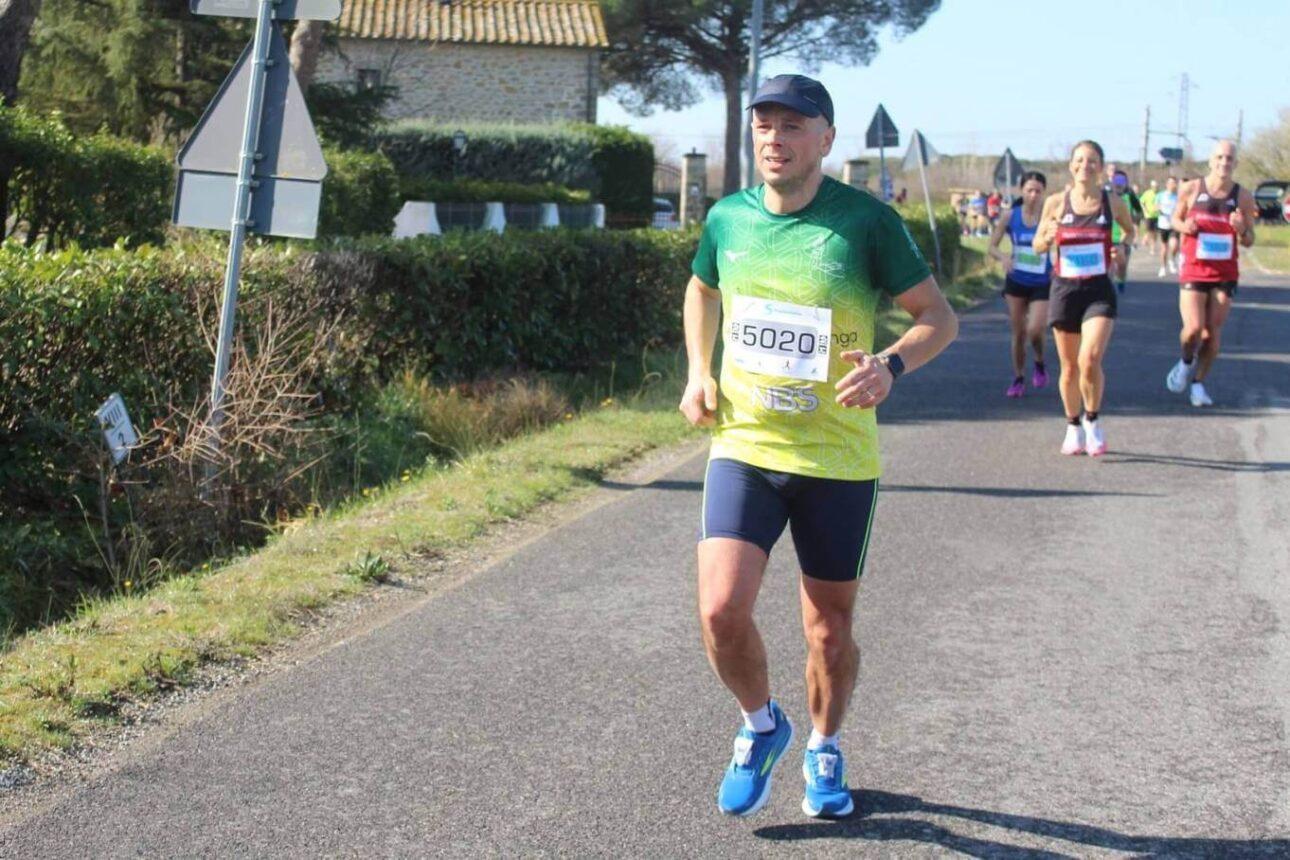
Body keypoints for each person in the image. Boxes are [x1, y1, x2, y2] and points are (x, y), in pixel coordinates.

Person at [680, 73, 958, 819]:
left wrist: (891, 364)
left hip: (836, 459)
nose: (775, 138)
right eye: (765, 125)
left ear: (825, 140)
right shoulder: (728, 219)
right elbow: (702, 288)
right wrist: (696, 372)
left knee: (828, 633)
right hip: (745, 444)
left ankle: (824, 745)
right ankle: (762, 726)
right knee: (719, 611)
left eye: (793, 126)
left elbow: (938, 316)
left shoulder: (864, 224)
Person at [1032, 140, 1135, 457]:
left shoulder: (1112, 203)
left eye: (1092, 161)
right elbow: (1038, 245)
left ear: (1101, 167)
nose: (1084, 166)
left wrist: (1122, 254)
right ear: (1071, 165)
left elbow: (1129, 232)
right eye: (1079, 160)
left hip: (1098, 291)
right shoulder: (1056, 203)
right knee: (1069, 367)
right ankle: (1073, 425)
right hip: (1065, 290)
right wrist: (1047, 237)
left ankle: (1092, 419)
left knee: (1089, 359)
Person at [1164, 140, 1258, 407]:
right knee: (1193, 329)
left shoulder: (1243, 196)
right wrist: (1186, 226)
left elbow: (1250, 239)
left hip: (1225, 271)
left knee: (1211, 334)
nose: (1224, 163)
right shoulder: (1192, 189)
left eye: (1229, 159)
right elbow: (1174, 219)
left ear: (1235, 164)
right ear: (1211, 161)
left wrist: (1241, 228)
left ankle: (1198, 383)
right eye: (1219, 157)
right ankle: (1185, 362)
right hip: (1194, 268)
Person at [988, 171, 1052, 397]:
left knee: (1035, 329)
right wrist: (1004, 258)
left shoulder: (1050, 216)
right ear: (1021, 191)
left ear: (1044, 193)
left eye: (1038, 191)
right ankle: (1018, 377)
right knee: (1018, 333)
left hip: (1042, 281)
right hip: (1016, 279)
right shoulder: (1010, 216)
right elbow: (992, 246)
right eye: (1029, 190)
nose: (1033, 195)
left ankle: (1040, 361)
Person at [1108, 170, 1136, 294]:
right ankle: (1107, 291)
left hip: (1124, 238)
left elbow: (1139, 212)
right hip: (1109, 237)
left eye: (1122, 181)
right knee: (1110, 269)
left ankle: (1121, 280)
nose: (1119, 184)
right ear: (1112, 182)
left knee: (1122, 267)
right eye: (1116, 181)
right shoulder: (1106, 197)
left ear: (1126, 183)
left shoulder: (1130, 197)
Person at [1156, 176, 1180, 277]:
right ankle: (1162, 267)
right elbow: (1156, 205)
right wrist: (1161, 211)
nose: (1172, 185)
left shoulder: (1178, 196)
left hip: (1174, 224)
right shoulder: (1161, 195)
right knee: (1164, 247)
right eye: (1170, 183)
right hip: (1163, 224)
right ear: (1167, 184)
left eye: (1174, 183)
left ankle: (1172, 260)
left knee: (1174, 245)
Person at [1139, 179, 1159, 252]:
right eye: (1154, 187)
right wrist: (1144, 209)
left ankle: (1145, 241)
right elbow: (1141, 201)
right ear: (1151, 187)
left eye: (1157, 187)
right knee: (1150, 232)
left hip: (1157, 216)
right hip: (1148, 216)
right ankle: (1152, 248)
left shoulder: (1159, 194)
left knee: (1155, 233)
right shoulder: (1147, 193)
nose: (1156, 188)